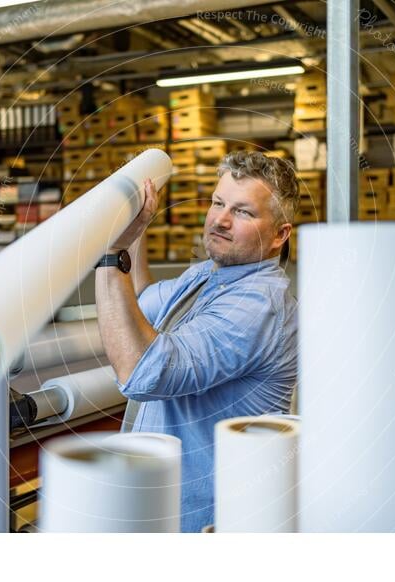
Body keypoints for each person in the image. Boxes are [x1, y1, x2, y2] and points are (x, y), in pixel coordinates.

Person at [94, 150, 299, 532]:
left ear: (279, 235)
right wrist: (133, 228)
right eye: (218, 203)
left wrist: (111, 254)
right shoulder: (209, 275)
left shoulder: (258, 306)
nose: (220, 220)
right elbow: (138, 305)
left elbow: (142, 372)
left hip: (201, 523)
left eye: (243, 212)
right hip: (163, 510)